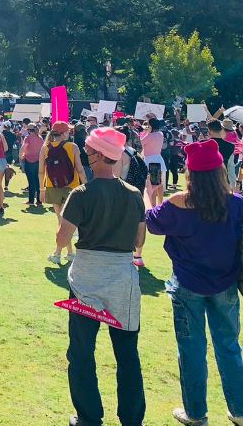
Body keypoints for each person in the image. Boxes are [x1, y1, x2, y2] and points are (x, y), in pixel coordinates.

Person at [146, 139, 243, 426]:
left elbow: (151, 223)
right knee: (229, 346)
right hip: (225, 283)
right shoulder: (236, 203)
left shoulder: (178, 204)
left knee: (191, 350)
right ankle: (239, 410)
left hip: (188, 285)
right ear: (219, 172)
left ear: (190, 173)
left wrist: (151, 195)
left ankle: (196, 413)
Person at [54, 128, 146, 426]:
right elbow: (139, 239)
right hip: (122, 277)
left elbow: (61, 237)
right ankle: (132, 419)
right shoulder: (133, 195)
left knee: (81, 351)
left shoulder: (82, 194)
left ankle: (89, 416)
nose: (83, 152)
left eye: (87, 150)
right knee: (127, 354)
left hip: (87, 279)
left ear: (97, 156)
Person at [41, 121, 86, 263]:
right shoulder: (73, 147)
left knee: (61, 222)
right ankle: (63, 253)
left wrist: (42, 189)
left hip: (52, 186)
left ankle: (61, 253)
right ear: (64, 133)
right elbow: (80, 169)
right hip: (71, 187)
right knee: (66, 222)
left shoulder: (45, 148)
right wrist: (86, 186)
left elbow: (41, 171)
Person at [140, 118, 166, 207]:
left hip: (151, 161)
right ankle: (160, 205)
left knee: (153, 187)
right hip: (158, 159)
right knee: (159, 185)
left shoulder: (150, 136)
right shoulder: (160, 134)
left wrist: (145, 132)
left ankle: (154, 207)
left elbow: (140, 143)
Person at [208, 119, 238, 187]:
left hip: (206, 182)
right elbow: (231, 169)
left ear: (209, 131)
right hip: (223, 183)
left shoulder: (202, 144)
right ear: (221, 130)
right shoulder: (230, 146)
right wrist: (232, 187)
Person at [20, 123, 43, 208]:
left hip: (29, 161)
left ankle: (31, 200)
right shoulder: (40, 138)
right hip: (38, 162)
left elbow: (23, 147)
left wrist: (20, 157)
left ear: (29, 130)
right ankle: (39, 201)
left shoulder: (28, 138)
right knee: (38, 181)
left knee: (31, 181)